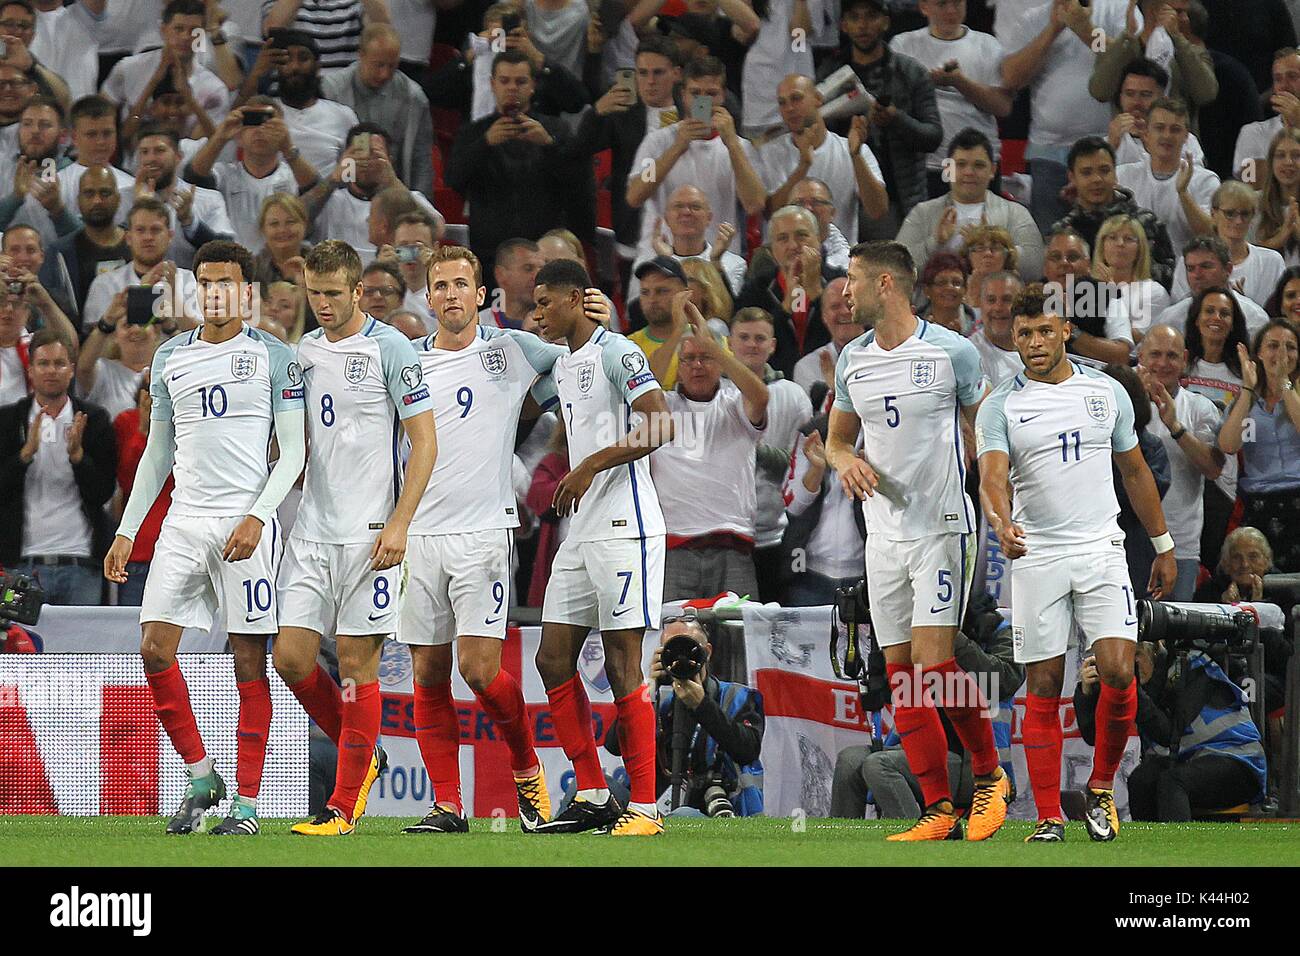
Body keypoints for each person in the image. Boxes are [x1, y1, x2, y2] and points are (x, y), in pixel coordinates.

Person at [101, 240, 304, 836]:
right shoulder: (169, 358)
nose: (215, 293)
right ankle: (199, 772)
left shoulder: (275, 356)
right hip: (184, 522)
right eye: (206, 282)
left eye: (227, 282)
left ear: (246, 291)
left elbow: (292, 453)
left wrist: (259, 516)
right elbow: (158, 452)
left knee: (247, 659)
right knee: (154, 649)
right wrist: (127, 529)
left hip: (245, 523)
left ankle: (245, 804)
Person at [975, 284, 1177, 843]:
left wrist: (1162, 544)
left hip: (1101, 547)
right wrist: (1000, 522)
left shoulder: (1106, 391)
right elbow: (993, 477)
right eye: (1023, 334)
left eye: (1045, 330)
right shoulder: (999, 405)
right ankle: (1047, 817)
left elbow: (1135, 472)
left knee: (1117, 668)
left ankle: (1102, 789)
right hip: (1036, 551)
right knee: (1042, 683)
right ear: (1012, 338)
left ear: (1066, 330)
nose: (1035, 342)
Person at [827, 239, 1009, 842]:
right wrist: (842, 460)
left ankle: (989, 777)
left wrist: (998, 504)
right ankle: (937, 810)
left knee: (936, 663)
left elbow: (985, 430)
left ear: (886, 285)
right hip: (883, 535)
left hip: (942, 528)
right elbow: (835, 440)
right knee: (900, 673)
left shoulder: (952, 352)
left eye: (852, 278)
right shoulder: (852, 359)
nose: (843, 290)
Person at [272, 239, 437, 837]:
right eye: (313, 294)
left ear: (358, 291)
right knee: (289, 659)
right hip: (312, 530)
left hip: (372, 534)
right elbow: (295, 440)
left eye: (333, 295)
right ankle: (362, 752)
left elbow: (425, 442)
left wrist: (400, 522)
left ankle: (341, 808)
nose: (322, 305)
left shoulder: (390, 348)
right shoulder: (303, 350)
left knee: (354, 663)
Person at [399, 244, 566, 833]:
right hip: (419, 535)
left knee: (477, 668)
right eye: (439, 285)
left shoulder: (509, 349)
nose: (449, 294)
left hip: (484, 534)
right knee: (427, 674)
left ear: (479, 294)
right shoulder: (406, 361)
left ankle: (527, 772)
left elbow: (574, 362)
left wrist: (586, 319)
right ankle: (447, 804)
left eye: (459, 284)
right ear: (428, 296)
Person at [527, 257, 673, 836]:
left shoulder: (618, 352)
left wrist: (590, 463)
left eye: (544, 302)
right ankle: (592, 793)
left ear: (573, 299)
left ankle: (644, 807)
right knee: (551, 658)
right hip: (581, 532)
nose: (536, 312)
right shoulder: (564, 363)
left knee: (621, 663)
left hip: (627, 528)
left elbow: (660, 425)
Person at [833, 592, 1023, 819]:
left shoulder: (1001, 631)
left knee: (879, 766)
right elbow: (898, 692)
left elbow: (1002, 680)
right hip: (918, 746)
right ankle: (845, 842)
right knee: (849, 760)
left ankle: (924, 836)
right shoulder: (915, 635)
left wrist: (947, 636)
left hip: (971, 761)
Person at [649, 294, 768, 601]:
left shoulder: (734, 404)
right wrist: (678, 330)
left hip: (733, 543)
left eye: (706, 358)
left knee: (741, 643)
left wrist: (713, 344)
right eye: (688, 359)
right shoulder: (664, 407)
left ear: (720, 360)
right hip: (674, 544)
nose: (697, 366)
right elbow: (643, 382)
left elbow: (761, 397)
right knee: (672, 641)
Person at [1076, 642, 1266, 821]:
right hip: (1188, 761)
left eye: (1136, 654)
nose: (1129, 664)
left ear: (1156, 650)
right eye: (1123, 657)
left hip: (1238, 762)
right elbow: (1094, 736)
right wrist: (1087, 693)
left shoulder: (1190, 665)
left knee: (1172, 781)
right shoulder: (1123, 676)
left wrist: (1132, 690)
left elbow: (1168, 735)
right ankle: (1143, 852)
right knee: (1141, 780)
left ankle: (1178, 851)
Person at [1, 328, 116, 605]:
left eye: (59, 363)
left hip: (81, 564)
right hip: (20, 567)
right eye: (43, 363)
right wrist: (24, 455)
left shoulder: (94, 420)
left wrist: (78, 458)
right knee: (20, 647)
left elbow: (103, 492)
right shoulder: (7, 421)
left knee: (82, 648)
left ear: (71, 370)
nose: (51, 370)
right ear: (30, 371)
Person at [998, 0, 1131, 233]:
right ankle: (1070, 274)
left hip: (1106, 147)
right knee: (1055, 239)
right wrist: (1052, 29)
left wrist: (1085, 30)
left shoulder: (1116, 8)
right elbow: (1011, 79)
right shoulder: (1033, 18)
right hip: (1049, 151)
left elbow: (1127, 64)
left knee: (1107, 234)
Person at [612, 613, 765, 816]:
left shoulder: (738, 697)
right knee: (590, 789)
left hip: (719, 810)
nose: (681, 657)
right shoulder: (663, 705)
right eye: (672, 650)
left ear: (707, 652)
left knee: (684, 815)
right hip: (656, 807)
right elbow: (613, 746)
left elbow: (748, 751)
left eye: (688, 648)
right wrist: (645, 691)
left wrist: (702, 705)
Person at [446, 50, 579, 280]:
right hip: (491, 255)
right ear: (492, 84)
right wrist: (485, 144)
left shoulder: (556, 129)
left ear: (533, 85)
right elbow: (454, 180)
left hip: (543, 253)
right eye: (504, 81)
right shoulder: (474, 132)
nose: (512, 88)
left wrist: (548, 144)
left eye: (520, 81)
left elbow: (576, 183)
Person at [626, 56, 764, 260]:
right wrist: (677, 147)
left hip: (717, 261)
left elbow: (754, 205)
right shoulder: (657, 142)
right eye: (695, 93)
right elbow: (635, 195)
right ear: (683, 95)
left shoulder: (740, 147)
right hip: (659, 259)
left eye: (711, 93)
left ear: (723, 96)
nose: (703, 100)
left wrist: (732, 144)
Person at [727, 306, 812, 603]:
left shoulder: (792, 395)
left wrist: (762, 454)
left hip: (775, 530)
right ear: (729, 343)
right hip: (725, 533)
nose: (752, 344)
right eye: (744, 337)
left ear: (773, 345)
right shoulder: (715, 393)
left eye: (760, 338)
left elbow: (802, 465)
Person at [1136, 325, 1225, 600]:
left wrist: (1175, 426)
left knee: (1177, 637)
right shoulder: (1120, 403)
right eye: (1156, 354)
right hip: (1131, 540)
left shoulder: (1200, 408)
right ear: (1140, 356)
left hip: (1181, 544)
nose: (1163, 363)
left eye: (1172, 355)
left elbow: (1212, 469)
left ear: (1185, 359)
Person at [891, 0, 1013, 199]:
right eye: (942, 4)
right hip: (928, 164)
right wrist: (924, 84)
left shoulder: (988, 45)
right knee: (934, 228)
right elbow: (894, 106)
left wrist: (960, 82)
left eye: (957, 3)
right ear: (924, 7)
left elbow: (1003, 107)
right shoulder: (903, 45)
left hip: (977, 163)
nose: (951, 11)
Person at [754, 73, 888, 244]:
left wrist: (855, 157)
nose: (789, 108)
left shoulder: (852, 149)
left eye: (796, 98)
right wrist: (803, 166)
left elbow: (878, 211)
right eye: (782, 103)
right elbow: (771, 215)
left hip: (838, 259)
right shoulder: (769, 153)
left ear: (818, 99)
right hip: (784, 260)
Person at [897, 129, 1043, 283]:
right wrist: (935, 243)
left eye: (978, 165)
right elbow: (898, 270)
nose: (969, 172)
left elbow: (1036, 267)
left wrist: (994, 245)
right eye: (960, 165)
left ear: (992, 170)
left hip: (998, 304)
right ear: (947, 169)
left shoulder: (1015, 213)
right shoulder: (922, 213)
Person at [182, 99, 319, 252]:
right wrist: (220, 137)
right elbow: (193, 177)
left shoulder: (295, 175)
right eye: (251, 122)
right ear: (239, 136)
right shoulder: (224, 174)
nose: (260, 130)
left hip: (279, 266)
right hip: (234, 263)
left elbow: (316, 189)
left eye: (268, 123)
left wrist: (287, 147)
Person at [1218, 319, 1300, 572]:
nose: (1282, 354)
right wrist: (1247, 390)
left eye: (1290, 347)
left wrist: (1285, 381)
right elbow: (1228, 445)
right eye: (1273, 346)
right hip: (1259, 505)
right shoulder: (1245, 401)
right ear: (1260, 354)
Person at [320, 23, 435, 197]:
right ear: (361, 55)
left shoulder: (414, 98)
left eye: (392, 66)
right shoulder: (331, 91)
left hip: (393, 195)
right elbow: (324, 155)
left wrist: (421, 207)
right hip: (343, 195)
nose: (385, 74)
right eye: (378, 65)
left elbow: (422, 162)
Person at [301, 124, 440, 263]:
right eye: (358, 153)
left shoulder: (410, 198)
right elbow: (296, 217)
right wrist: (334, 178)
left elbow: (437, 229)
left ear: (389, 160)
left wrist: (392, 179)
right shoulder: (331, 200)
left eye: (375, 154)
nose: (366, 161)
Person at [1051, 135, 1176, 289]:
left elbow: (1169, 273)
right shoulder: (1064, 231)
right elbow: (1054, 281)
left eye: (1104, 170)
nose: (1097, 179)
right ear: (1072, 177)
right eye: (1086, 173)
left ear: (1115, 173)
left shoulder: (1146, 221)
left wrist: (1127, 274)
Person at [735, 205, 840, 379]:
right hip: (773, 384)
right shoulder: (755, 290)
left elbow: (850, 336)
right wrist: (784, 308)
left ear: (819, 239)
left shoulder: (840, 283)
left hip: (833, 377)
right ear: (771, 249)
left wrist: (816, 295)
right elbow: (747, 343)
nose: (793, 245)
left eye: (802, 235)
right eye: (783, 238)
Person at [1088, 0, 1218, 138]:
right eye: (1179, 12)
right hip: (1129, 148)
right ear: (1155, 11)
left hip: (1177, 148)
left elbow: (1207, 94)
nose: (1186, 18)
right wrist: (1128, 36)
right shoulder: (1121, 48)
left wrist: (1177, 39)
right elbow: (1099, 91)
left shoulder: (1193, 52)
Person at [240, 30, 358, 179]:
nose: (295, 67)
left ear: (317, 66)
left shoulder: (344, 116)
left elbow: (352, 177)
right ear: (277, 66)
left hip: (329, 197)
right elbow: (231, 127)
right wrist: (256, 73)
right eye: (287, 59)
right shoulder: (263, 112)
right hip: (271, 199)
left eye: (303, 58)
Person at [100, 0, 231, 134]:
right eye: (178, 29)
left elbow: (209, 142)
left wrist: (189, 98)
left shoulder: (213, 88)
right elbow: (100, 118)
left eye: (194, 31)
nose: (186, 37)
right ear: (163, 30)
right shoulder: (128, 69)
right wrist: (153, 82)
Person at [123, 124, 237, 271]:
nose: (150, 158)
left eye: (159, 150)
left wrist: (190, 221)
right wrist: (140, 208)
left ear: (178, 156)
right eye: (144, 152)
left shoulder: (208, 199)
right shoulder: (123, 198)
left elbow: (228, 253)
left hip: (191, 289)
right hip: (135, 287)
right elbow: (110, 247)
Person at [1116, 97, 1219, 255]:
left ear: (1186, 136)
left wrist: (1183, 194)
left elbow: (1211, 235)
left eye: (1175, 129)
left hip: (1187, 271)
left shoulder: (1206, 180)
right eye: (1159, 128)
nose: (1167, 136)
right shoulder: (1123, 175)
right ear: (1146, 133)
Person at [82, 197, 199, 333]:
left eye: (155, 230)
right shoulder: (105, 284)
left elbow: (203, 341)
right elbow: (95, 348)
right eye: (140, 230)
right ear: (128, 238)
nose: (148, 237)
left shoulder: (190, 280)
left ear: (170, 236)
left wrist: (173, 300)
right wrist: (142, 295)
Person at [1169, 181, 1284, 307]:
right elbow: (1180, 308)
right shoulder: (1190, 261)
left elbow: (1278, 310)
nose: (1238, 221)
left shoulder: (1272, 262)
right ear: (1213, 214)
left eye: (1245, 214)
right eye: (1230, 214)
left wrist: (1244, 305)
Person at [111, 376, 172, 607]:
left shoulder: (187, 425)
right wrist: (144, 430)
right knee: (131, 635)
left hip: (177, 549)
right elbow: (127, 482)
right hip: (137, 551)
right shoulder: (126, 422)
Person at [630, 185, 744, 301]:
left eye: (695, 207)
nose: (686, 212)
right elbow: (644, 310)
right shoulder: (646, 265)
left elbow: (728, 310)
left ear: (709, 218)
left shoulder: (734, 264)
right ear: (667, 218)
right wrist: (666, 261)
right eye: (678, 206)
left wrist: (715, 261)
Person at [1041, 227, 1136, 366]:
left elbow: (1120, 355)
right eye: (1055, 257)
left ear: (1088, 265)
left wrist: (1069, 330)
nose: (1064, 263)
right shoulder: (1032, 297)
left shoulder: (1107, 295)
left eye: (1072, 257)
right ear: (1045, 268)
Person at [49, 165, 131, 317]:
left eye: (105, 193)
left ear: (118, 199)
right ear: (78, 200)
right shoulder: (61, 253)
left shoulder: (137, 244)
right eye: (89, 194)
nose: (97, 201)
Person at [1154, 236, 1270, 337]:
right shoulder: (1169, 320)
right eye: (1191, 269)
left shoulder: (1254, 319)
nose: (1197, 275)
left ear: (1228, 269)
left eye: (1206, 266)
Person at [1101, 58, 1206, 168]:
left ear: (1163, 99)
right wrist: (1110, 147)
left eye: (1145, 94)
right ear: (1121, 98)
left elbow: (1194, 179)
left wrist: (1152, 147)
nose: (1136, 102)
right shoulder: (1108, 143)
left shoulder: (1183, 139)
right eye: (1130, 94)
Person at [75, 288, 160, 418]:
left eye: (143, 324)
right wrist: (107, 320)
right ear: (115, 336)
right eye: (127, 325)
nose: (136, 330)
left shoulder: (167, 369)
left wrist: (171, 325)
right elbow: (83, 368)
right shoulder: (104, 370)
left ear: (156, 332)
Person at [1094, 213, 1172, 342]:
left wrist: (1111, 294)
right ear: (1102, 245)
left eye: (1129, 239)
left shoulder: (1154, 292)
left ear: (1140, 249)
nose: (1120, 244)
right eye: (1112, 238)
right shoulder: (1085, 285)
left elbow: (1139, 338)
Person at [55, 97, 136, 213]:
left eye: (107, 133)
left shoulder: (132, 187)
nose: (101, 142)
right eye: (91, 134)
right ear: (74, 138)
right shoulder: (57, 186)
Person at [1233, 47, 1300, 184]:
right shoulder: (1253, 132)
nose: (1284, 86)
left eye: (1292, 76)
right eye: (1278, 79)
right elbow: (1249, 181)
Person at [262, 0, 391, 71]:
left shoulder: (355, 3)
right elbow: (272, 31)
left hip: (342, 98)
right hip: (291, 95)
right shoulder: (280, 3)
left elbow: (381, 29)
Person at [792, 275, 862, 398]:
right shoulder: (807, 367)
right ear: (824, 316)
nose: (845, 311)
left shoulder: (886, 354)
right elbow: (815, 416)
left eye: (850, 304)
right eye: (835, 306)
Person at [628, 255, 690, 389]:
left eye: (662, 291)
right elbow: (644, 391)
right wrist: (678, 331)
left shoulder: (707, 339)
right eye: (645, 292)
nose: (652, 299)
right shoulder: (629, 347)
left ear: (684, 294)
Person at [1252, 127, 1300, 267]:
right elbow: (1244, 256)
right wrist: (1280, 238)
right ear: (1271, 162)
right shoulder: (1254, 204)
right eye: (1280, 155)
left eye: (1296, 155)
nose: (1288, 162)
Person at [969, 271, 1024, 388]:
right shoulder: (971, 353)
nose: (998, 307)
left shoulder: (1037, 346)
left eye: (1007, 300)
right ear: (980, 304)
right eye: (991, 300)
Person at [250, 193, 311, 291]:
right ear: (263, 229)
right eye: (274, 224)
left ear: (304, 224)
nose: (282, 230)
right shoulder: (250, 270)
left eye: (290, 222)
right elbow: (248, 306)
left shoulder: (323, 265)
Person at [479, 238, 542, 330]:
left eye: (541, 269)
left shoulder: (555, 326)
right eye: (528, 268)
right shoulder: (479, 325)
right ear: (501, 274)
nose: (537, 276)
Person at [961, 224, 1018, 311]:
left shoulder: (1016, 286)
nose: (988, 253)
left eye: (995, 248)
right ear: (968, 255)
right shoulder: (956, 286)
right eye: (980, 248)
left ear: (1007, 255)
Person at [918, 251, 974, 334]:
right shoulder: (914, 327)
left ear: (965, 289)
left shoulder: (977, 325)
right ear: (927, 290)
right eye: (941, 282)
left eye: (956, 283)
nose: (949, 288)